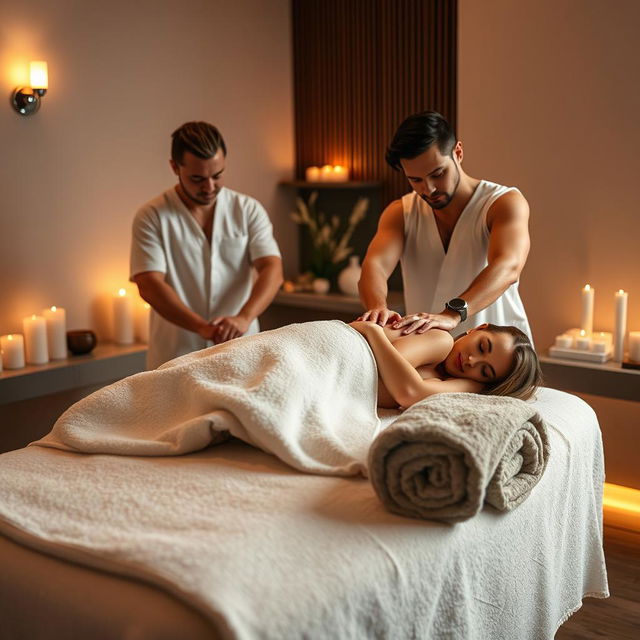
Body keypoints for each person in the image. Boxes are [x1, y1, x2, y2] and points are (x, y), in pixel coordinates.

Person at [358, 110, 533, 343]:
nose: (428, 189)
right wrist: (378, 307)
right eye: (415, 180)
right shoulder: (401, 212)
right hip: (430, 354)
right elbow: (375, 266)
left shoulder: (502, 203)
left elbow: (508, 266)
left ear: (458, 152)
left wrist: (452, 314)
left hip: (499, 354)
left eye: (438, 174)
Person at [130, 121, 283, 369]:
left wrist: (244, 318)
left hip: (241, 348)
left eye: (217, 176)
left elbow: (272, 269)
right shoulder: (152, 216)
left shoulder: (247, 210)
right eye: (198, 178)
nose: (209, 187)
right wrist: (201, 327)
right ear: (174, 167)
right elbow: (149, 285)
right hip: (176, 353)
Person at [349, 320, 541, 409]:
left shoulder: (446, 381)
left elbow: (410, 392)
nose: (471, 361)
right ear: (478, 328)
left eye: (484, 371)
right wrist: (373, 331)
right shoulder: (441, 340)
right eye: (482, 347)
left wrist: (472, 386)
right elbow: (377, 371)